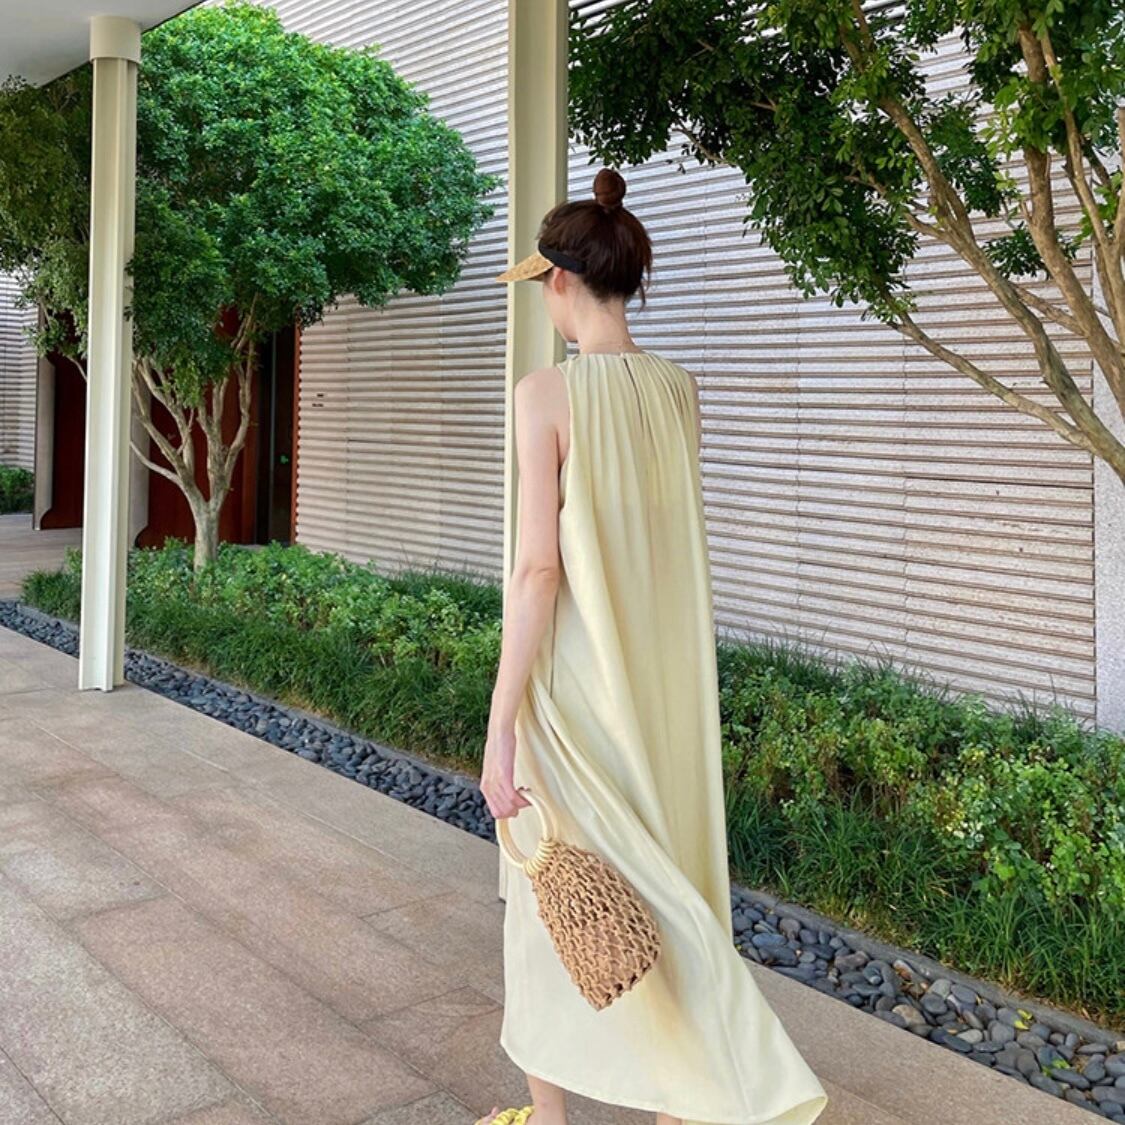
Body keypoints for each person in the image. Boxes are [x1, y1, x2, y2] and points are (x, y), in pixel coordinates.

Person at [477, 168, 828, 1125]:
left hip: (574, 693)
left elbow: (537, 571)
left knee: (552, 896)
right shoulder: (679, 391)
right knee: (670, 896)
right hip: (665, 692)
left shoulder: (543, 394)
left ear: (558, 282)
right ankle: (684, 1108)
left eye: (540, 287)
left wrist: (501, 722)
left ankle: (550, 1120)